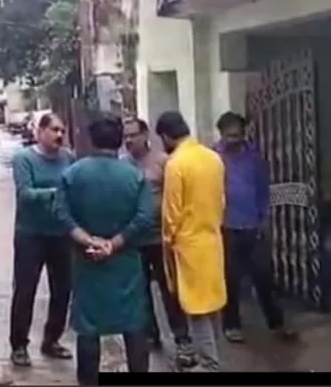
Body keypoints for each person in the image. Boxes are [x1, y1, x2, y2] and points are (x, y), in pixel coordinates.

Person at [53, 113, 155, 385]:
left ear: (91, 140)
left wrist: (89, 240)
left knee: (88, 328)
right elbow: (145, 217)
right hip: (125, 263)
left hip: (87, 263)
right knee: (134, 325)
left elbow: (61, 215)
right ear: (120, 140)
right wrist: (115, 243)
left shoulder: (73, 174)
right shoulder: (134, 176)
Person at [214, 112, 297, 344]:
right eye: (229, 135)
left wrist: (264, 219)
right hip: (226, 226)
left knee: (264, 276)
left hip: (253, 225)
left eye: (237, 135)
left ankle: (276, 323)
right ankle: (231, 325)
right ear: (221, 134)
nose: (233, 139)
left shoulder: (254, 158)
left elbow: (262, 191)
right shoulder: (213, 158)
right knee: (230, 279)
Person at [154, 111, 228, 371]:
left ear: (166, 136)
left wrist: (167, 241)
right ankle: (213, 355)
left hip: (188, 245)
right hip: (212, 239)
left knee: (196, 307)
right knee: (212, 304)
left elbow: (171, 212)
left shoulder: (176, 164)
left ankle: (209, 363)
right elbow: (221, 201)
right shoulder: (213, 158)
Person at [121, 117, 195, 363]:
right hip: (134, 239)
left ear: (146, 136)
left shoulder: (164, 161)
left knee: (169, 290)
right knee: (140, 291)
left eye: (134, 134)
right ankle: (150, 335)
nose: (129, 140)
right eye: (126, 135)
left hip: (161, 239)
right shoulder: (122, 165)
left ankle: (182, 338)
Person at [8, 113, 75, 366]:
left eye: (62, 131)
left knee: (62, 290)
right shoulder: (24, 159)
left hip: (61, 234)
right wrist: (57, 194)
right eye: (54, 130)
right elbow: (25, 194)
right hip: (30, 235)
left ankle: (52, 340)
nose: (59, 135)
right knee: (25, 290)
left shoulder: (68, 158)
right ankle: (19, 345)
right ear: (41, 132)